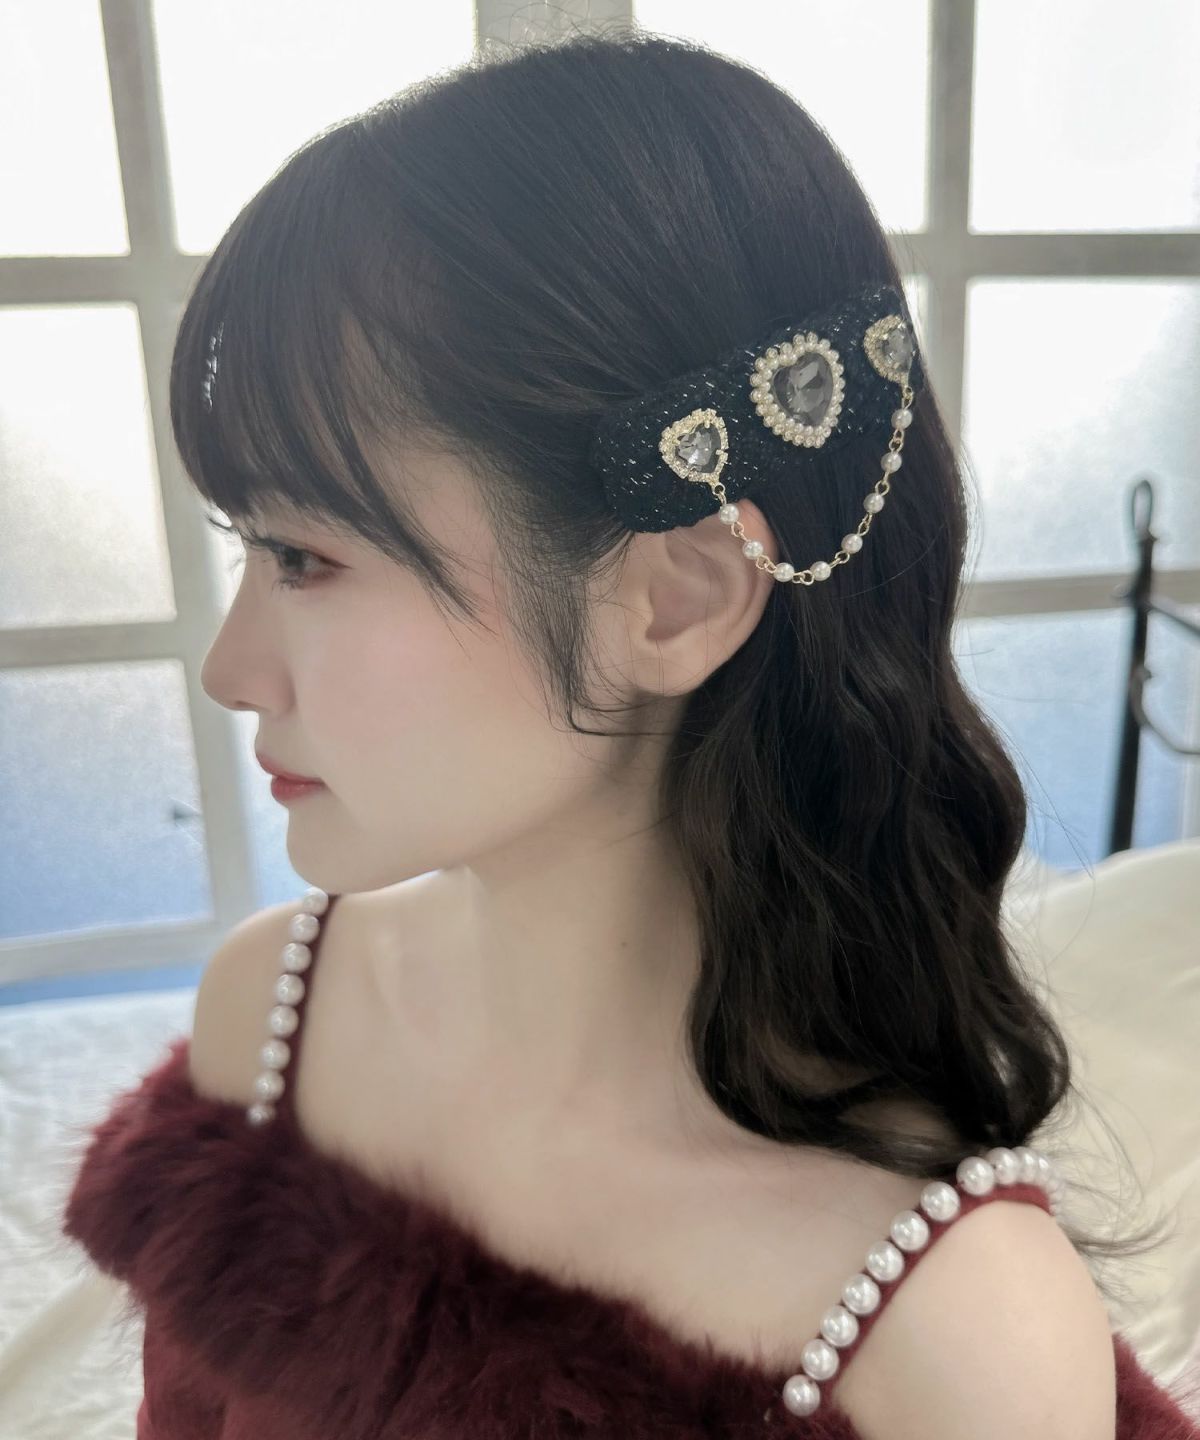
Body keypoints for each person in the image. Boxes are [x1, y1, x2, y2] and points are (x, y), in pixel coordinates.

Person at [61, 27, 1200, 1439]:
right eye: (249, 545)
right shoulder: (269, 1017)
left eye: (306, 558)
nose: (231, 671)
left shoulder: (961, 1341)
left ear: (678, 598)